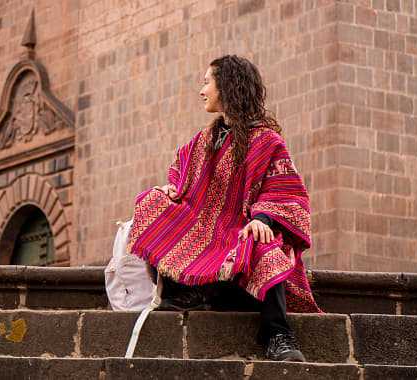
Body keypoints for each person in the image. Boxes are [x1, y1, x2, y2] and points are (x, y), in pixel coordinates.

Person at [127, 54, 321, 362]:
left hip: (238, 234)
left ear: (227, 87)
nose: (201, 91)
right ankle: (187, 291)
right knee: (151, 201)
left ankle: (278, 335)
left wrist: (262, 218)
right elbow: (181, 167)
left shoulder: (267, 141)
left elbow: (287, 192)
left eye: (207, 83)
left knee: (265, 245)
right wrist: (172, 188)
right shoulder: (205, 138)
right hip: (204, 233)